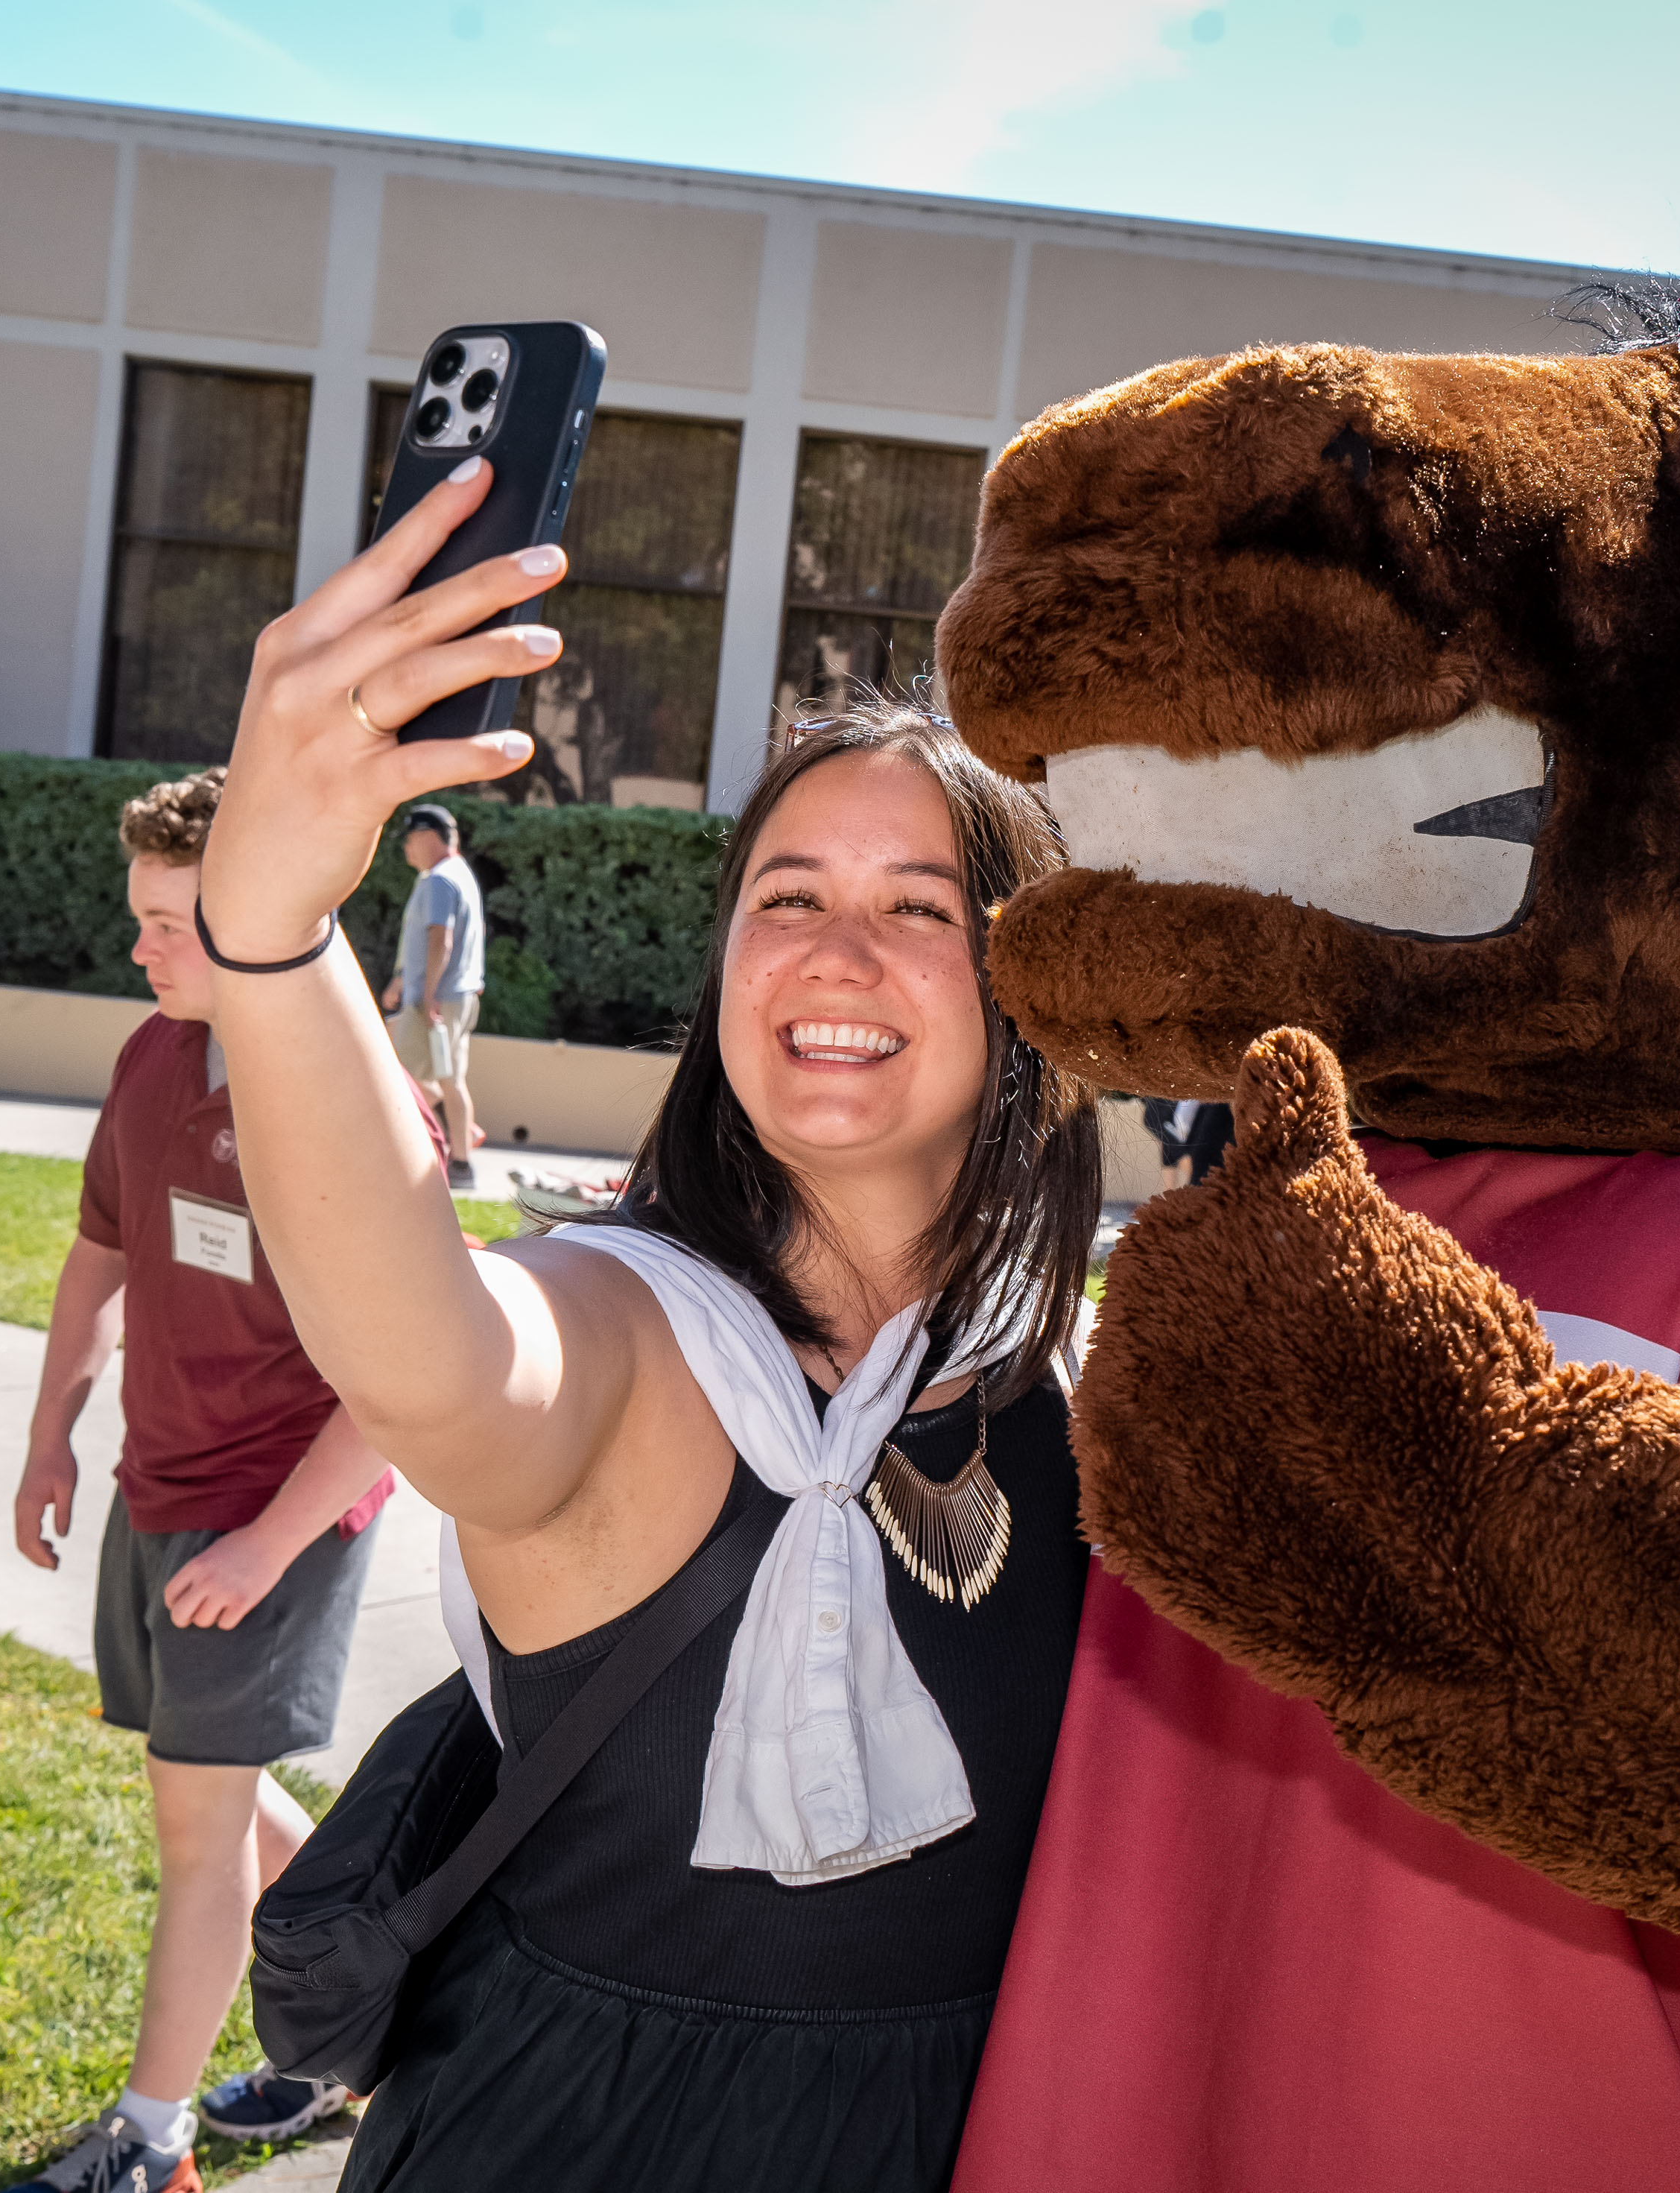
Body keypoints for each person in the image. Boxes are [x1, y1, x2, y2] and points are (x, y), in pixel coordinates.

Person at [192, 464, 1103, 2192]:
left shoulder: (1068, 1384)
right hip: (565, 2140)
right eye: (784, 896)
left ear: (1023, 986)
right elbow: (436, 1353)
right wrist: (276, 943)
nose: (835, 949)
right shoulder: (619, 1321)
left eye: (919, 908)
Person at [4, 770, 422, 2193]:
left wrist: (267, 1545)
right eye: (140, 919)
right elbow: (101, 1259)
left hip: (282, 1506)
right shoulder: (150, 1057)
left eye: (170, 923)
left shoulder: (351, 1102)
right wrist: (53, 1429)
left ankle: (151, 2139)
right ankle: (353, 2035)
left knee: (195, 1829)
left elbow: (405, 1375)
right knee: (218, 1798)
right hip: (163, 1483)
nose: (143, 947)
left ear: (264, 919)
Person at [377, 800, 484, 1190]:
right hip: (458, 995)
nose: (406, 847)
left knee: (402, 1077)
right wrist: (405, 979)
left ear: (428, 837)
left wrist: (429, 993)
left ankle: (451, 1150)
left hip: (436, 1001)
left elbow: (441, 937)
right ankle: (461, 1151)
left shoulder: (439, 879)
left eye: (410, 838)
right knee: (449, 1078)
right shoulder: (459, 874)